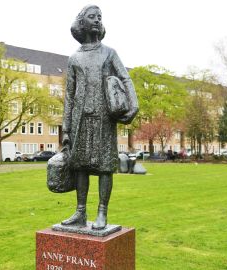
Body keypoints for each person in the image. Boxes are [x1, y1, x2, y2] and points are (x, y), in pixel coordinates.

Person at [61, 5, 138, 230]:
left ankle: (102, 211)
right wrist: (66, 128)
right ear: (82, 24)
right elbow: (69, 95)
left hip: (104, 118)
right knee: (80, 166)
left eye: (99, 17)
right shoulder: (74, 58)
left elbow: (126, 79)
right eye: (91, 17)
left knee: (105, 166)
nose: (97, 20)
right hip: (80, 120)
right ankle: (80, 212)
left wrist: (133, 104)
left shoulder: (109, 53)